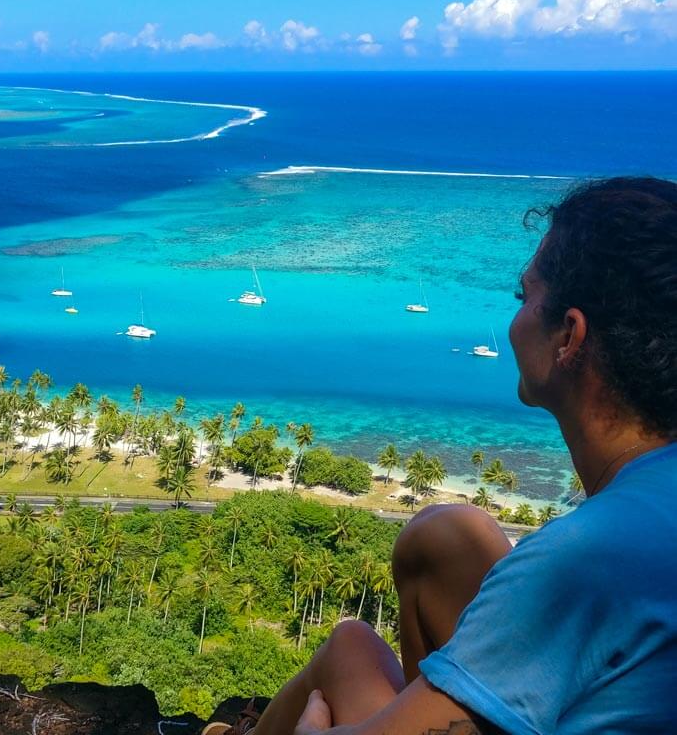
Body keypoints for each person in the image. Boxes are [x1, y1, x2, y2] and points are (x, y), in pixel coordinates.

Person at [203, 177, 677, 735]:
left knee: (348, 648)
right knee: (445, 537)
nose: (517, 317)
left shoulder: (584, 562)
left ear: (569, 337)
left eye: (525, 298)